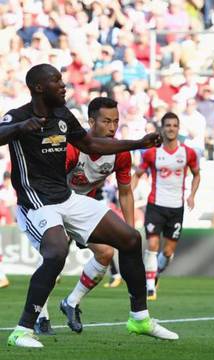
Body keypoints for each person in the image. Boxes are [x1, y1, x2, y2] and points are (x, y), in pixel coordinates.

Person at [0, 64, 177, 348]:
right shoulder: (18, 116)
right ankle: (22, 330)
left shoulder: (62, 115)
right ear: (38, 87)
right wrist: (20, 128)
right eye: (57, 81)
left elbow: (91, 145)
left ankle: (139, 318)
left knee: (131, 239)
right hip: (36, 202)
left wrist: (137, 143)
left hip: (67, 198)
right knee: (56, 253)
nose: (63, 85)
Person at [35, 97, 137, 335]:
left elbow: (125, 192)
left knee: (106, 253)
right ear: (91, 121)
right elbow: (51, 181)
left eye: (116, 121)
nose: (112, 127)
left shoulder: (120, 153)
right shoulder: (73, 148)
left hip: (84, 208)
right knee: (54, 261)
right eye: (106, 121)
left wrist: (130, 233)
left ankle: (71, 302)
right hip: (55, 205)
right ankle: (40, 316)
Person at [135, 112, 200, 301]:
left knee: (168, 252)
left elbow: (197, 174)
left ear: (178, 129)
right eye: (168, 125)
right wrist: (128, 192)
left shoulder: (188, 153)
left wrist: (192, 195)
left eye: (174, 125)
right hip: (155, 205)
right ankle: (149, 288)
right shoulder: (152, 153)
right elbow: (138, 173)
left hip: (176, 207)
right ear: (162, 128)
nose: (171, 128)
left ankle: (155, 274)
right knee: (153, 245)